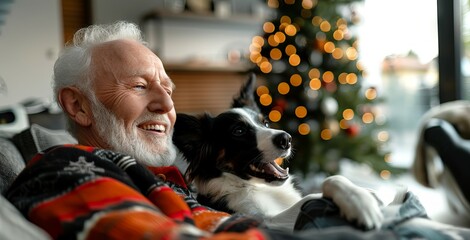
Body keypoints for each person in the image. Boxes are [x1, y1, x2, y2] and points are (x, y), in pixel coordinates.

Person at [4, 21, 470, 240]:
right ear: (77, 105)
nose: (167, 104)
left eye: (167, 87)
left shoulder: (172, 181)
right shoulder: (65, 167)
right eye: (140, 86)